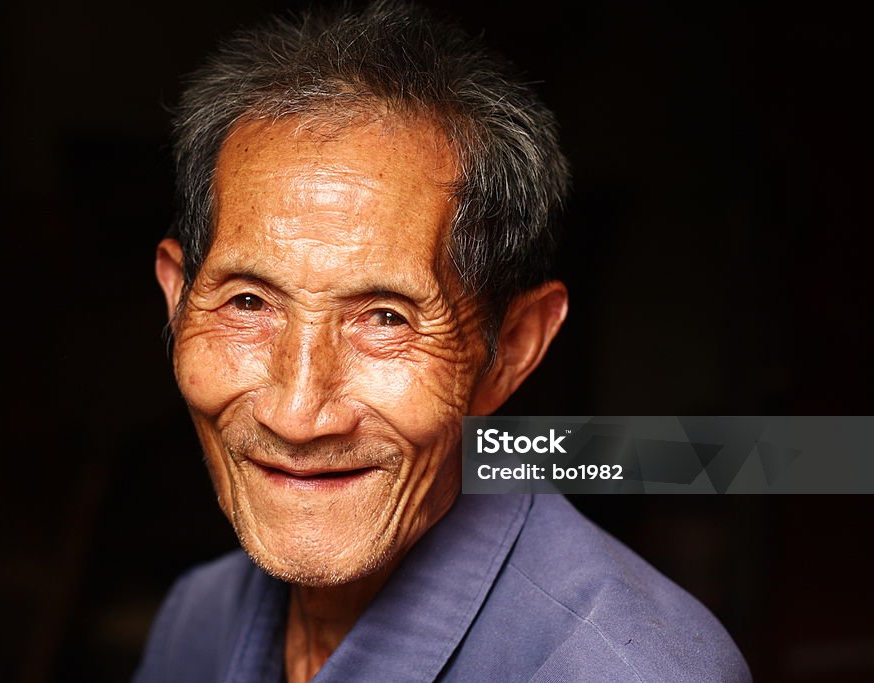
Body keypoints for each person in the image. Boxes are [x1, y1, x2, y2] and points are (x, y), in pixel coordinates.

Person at [135, 2, 750, 681]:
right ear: (177, 301)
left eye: (387, 318)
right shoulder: (198, 616)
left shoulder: (617, 668)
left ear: (511, 348)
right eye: (249, 302)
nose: (297, 412)